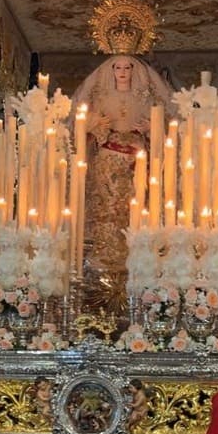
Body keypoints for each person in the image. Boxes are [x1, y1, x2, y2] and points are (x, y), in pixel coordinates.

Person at [70, 55, 173, 310]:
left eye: (128, 68)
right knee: (107, 209)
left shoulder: (146, 98)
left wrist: (152, 128)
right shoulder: (101, 97)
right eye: (118, 68)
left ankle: (136, 259)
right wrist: (96, 125)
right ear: (112, 71)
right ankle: (103, 262)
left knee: (135, 208)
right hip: (107, 161)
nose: (123, 72)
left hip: (137, 161)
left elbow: (167, 130)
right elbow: (81, 126)